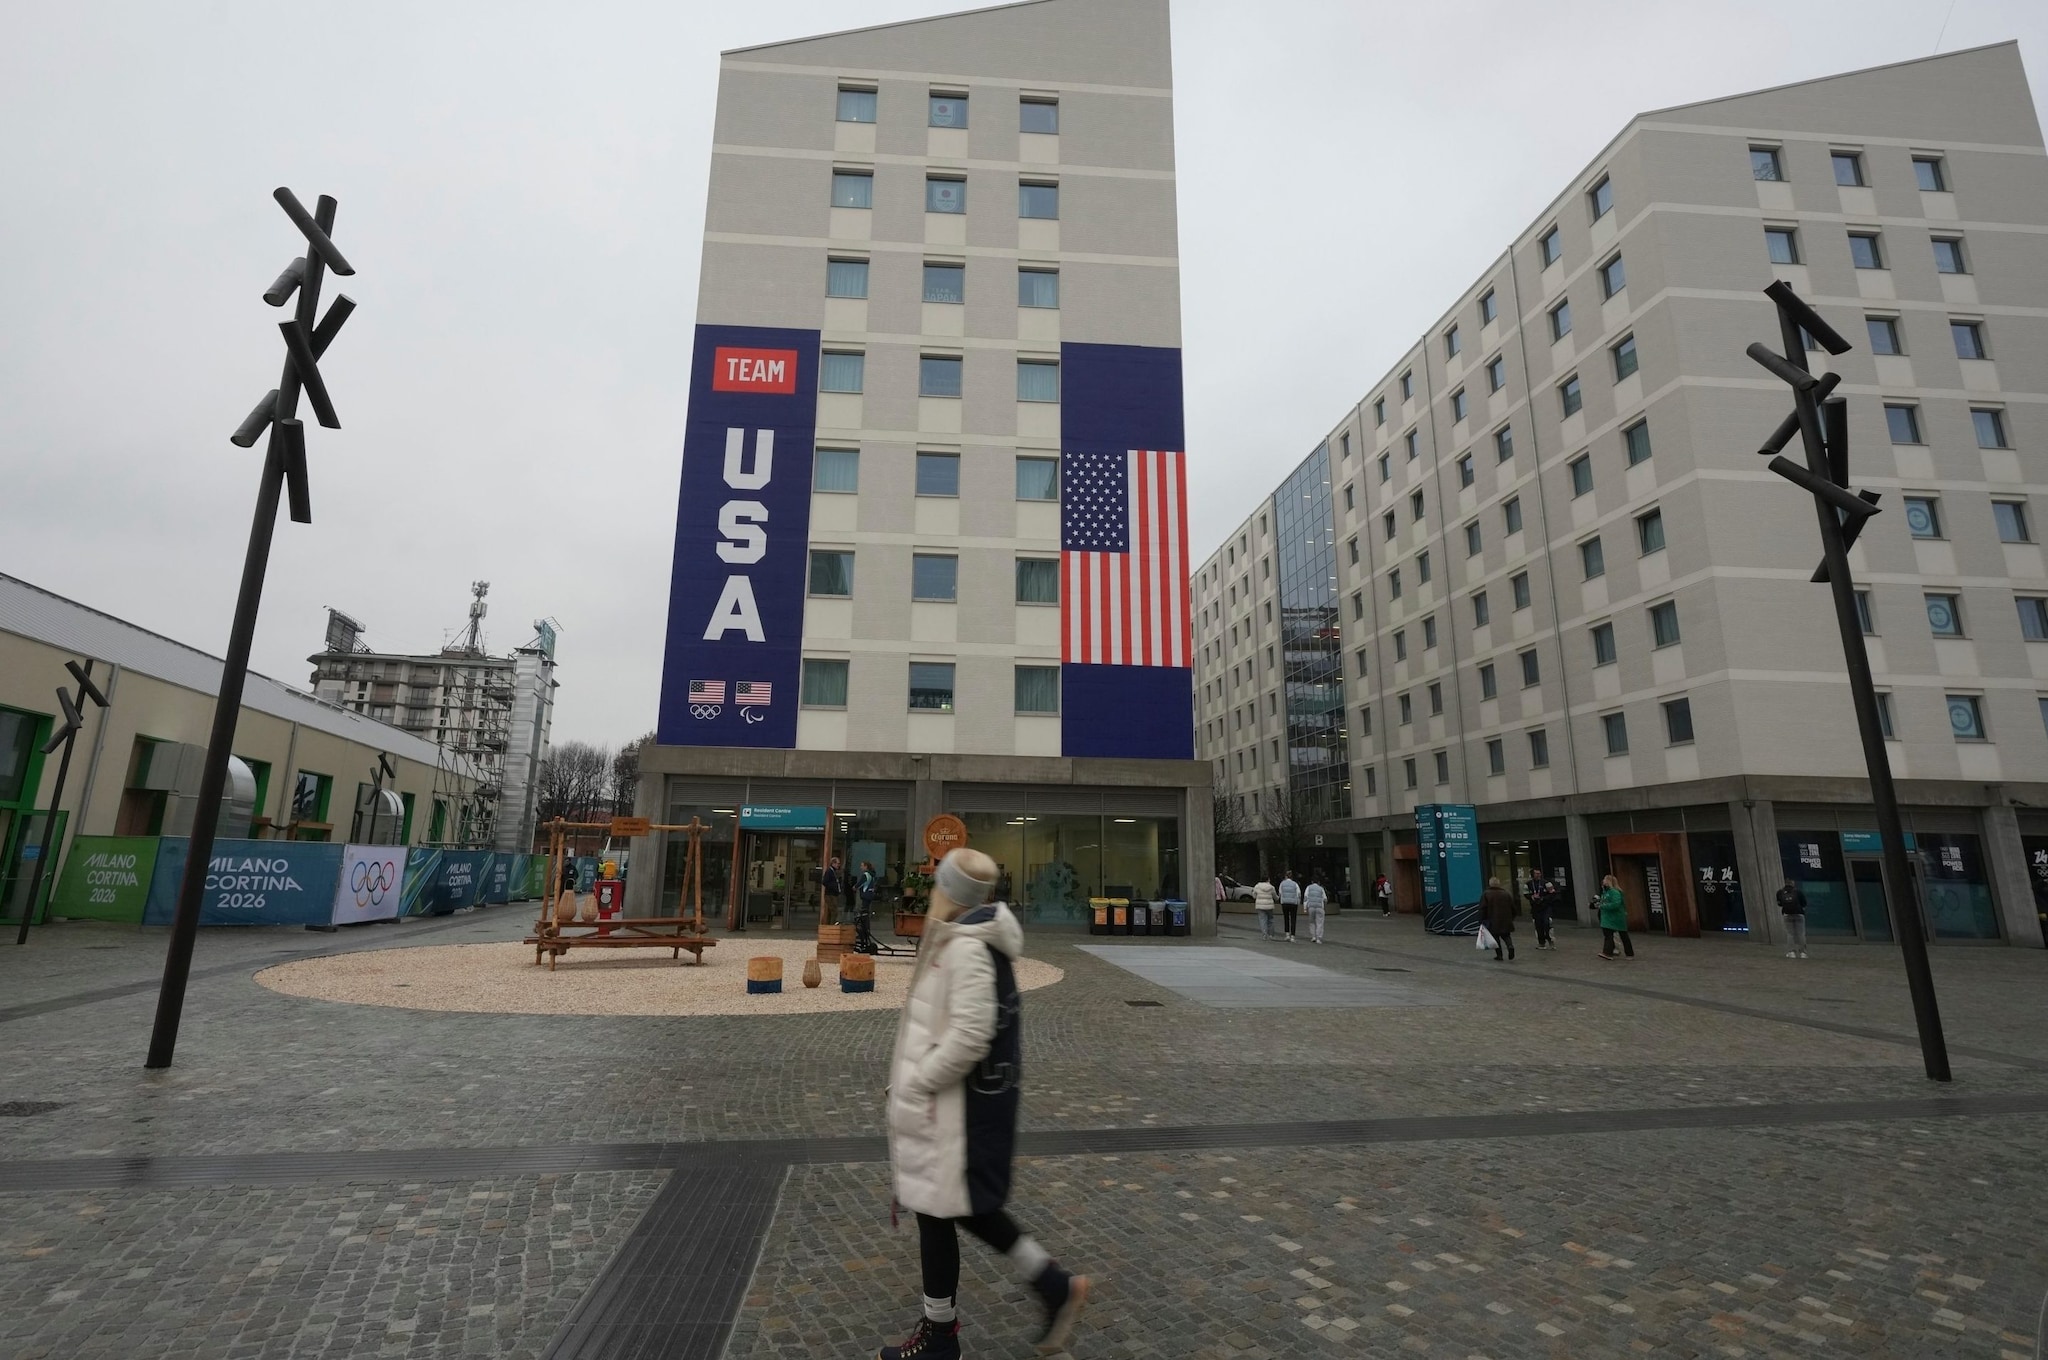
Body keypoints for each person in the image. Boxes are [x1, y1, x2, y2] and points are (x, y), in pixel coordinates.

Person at [877, 847, 1088, 1360]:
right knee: (960, 1209)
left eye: (937, 883)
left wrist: (918, 1081)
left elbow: (971, 1035)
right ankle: (1050, 1288)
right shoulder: (961, 937)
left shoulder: (968, 945)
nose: (930, 891)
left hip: (957, 1111)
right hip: (953, 1108)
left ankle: (945, 1336)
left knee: (944, 1209)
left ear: (949, 891)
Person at [1595, 874, 1634, 960]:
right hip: (1608, 917)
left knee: (1623, 935)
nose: (1603, 881)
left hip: (1616, 917)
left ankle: (1628, 953)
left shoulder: (1614, 892)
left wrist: (1602, 906)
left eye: (1605, 879)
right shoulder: (1606, 892)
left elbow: (1615, 904)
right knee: (1609, 935)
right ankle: (1608, 952)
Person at [1480, 876, 1518, 961]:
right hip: (1506, 919)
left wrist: (1482, 920)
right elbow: (1513, 908)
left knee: (1495, 938)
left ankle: (1499, 955)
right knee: (1506, 936)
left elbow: (1483, 908)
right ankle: (1510, 946)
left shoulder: (1486, 894)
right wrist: (1511, 917)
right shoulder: (1506, 894)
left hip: (1492, 920)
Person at [1776, 879, 1809, 959]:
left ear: (1785, 884)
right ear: (1792, 884)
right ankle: (1803, 953)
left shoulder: (1780, 892)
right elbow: (1804, 903)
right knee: (1801, 933)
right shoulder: (1798, 892)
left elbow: (1779, 904)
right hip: (1799, 914)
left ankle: (1791, 952)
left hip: (1787, 915)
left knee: (1790, 933)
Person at [1528, 872, 1557, 950]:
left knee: (1547, 923)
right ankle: (1541, 943)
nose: (1538, 875)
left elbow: (1553, 893)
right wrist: (1532, 897)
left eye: (1539, 873)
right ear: (1532, 875)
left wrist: (1543, 898)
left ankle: (1551, 940)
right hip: (1535, 907)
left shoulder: (1546, 883)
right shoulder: (1529, 884)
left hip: (1546, 907)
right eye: (1536, 873)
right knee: (1538, 925)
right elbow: (1526, 893)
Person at [1277, 870, 1302, 942]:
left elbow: (1280, 893)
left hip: (1284, 903)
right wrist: (1298, 902)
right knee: (1293, 919)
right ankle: (1293, 936)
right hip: (1293, 903)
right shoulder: (1295, 884)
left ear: (1286, 876)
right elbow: (1299, 894)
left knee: (1286, 918)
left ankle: (1287, 934)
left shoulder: (1282, 883)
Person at [1302, 876, 1328, 944]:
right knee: (1320, 923)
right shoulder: (1321, 889)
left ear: (1312, 882)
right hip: (1319, 907)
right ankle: (1318, 938)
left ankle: (1313, 936)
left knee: (1311, 922)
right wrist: (1324, 908)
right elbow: (1325, 899)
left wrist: (1305, 908)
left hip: (1311, 907)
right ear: (1318, 882)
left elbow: (1305, 898)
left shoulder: (1308, 888)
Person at [1252, 874, 1277, 940]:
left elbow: (1254, 896)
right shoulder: (1271, 887)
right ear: (1268, 879)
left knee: (1262, 920)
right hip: (1269, 905)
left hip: (1260, 905)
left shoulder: (1257, 886)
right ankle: (1271, 935)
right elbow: (1275, 896)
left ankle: (1264, 934)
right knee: (1270, 920)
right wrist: (1278, 898)